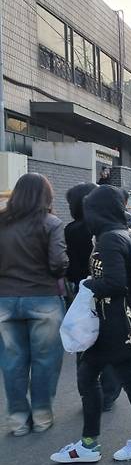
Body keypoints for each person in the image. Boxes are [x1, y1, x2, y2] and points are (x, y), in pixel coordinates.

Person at [51, 185, 131, 463]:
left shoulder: (110, 239)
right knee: (121, 379)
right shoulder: (123, 232)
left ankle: (95, 444)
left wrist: (88, 283)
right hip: (123, 323)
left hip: (114, 327)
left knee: (93, 377)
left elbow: (116, 283)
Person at [0, 174, 68, 437]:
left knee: (11, 362)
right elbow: (58, 264)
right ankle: (41, 416)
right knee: (45, 361)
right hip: (43, 298)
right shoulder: (51, 223)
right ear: (46, 196)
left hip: (4, 299)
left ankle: (17, 420)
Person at [65, 183, 122, 413]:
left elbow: (67, 264)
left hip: (80, 295)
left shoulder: (70, 229)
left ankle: (88, 392)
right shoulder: (103, 230)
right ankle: (108, 393)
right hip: (102, 293)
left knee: (84, 344)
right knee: (107, 343)